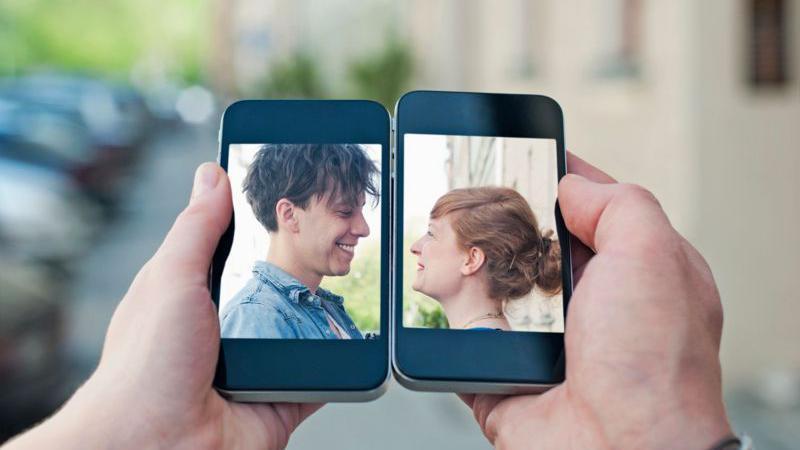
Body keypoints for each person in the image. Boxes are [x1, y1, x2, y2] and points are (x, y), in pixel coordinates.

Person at [3, 153, 737, 450]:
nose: (373, 232)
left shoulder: (330, 313)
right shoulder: (260, 321)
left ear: (473, 259)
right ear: (288, 214)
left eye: (428, 233)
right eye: (344, 212)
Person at [219, 143, 380, 339]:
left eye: (360, 210)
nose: (364, 229)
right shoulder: (258, 316)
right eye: (345, 212)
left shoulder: (327, 310)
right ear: (289, 215)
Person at [409, 186, 562, 330]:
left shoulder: (470, 353)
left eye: (431, 233)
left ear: (472, 259)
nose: (414, 247)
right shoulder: (493, 344)